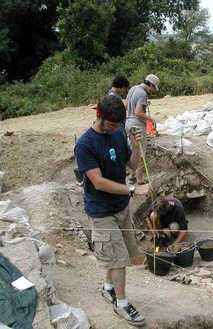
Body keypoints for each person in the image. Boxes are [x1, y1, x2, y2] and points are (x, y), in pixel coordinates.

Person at [74, 95, 145, 326]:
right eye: (111, 124)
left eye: (118, 125)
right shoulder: (85, 144)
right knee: (118, 260)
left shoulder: (117, 133)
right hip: (101, 210)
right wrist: (133, 189)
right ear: (99, 116)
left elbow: (133, 164)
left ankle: (108, 289)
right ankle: (122, 304)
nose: (114, 128)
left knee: (117, 253)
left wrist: (135, 145)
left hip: (121, 207)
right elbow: (99, 182)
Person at [125, 74, 159, 185]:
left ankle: (131, 175)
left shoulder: (133, 89)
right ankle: (140, 179)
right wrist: (151, 119)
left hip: (128, 122)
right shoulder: (143, 93)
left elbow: (127, 105)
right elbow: (138, 112)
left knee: (132, 150)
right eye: (153, 88)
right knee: (140, 152)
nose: (152, 91)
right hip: (137, 124)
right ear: (150, 84)